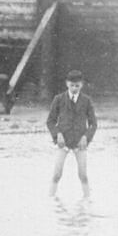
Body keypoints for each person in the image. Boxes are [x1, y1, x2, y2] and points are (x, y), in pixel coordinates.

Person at [46, 70, 97, 198]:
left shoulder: (86, 100)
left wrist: (86, 137)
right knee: (57, 174)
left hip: (80, 142)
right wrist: (57, 135)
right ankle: (50, 199)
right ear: (67, 84)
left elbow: (93, 124)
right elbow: (50, 121)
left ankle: (87, 201)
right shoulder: (58, 99)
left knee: (83, 175)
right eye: (72, 85)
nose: (74, 88)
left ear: (82, 85)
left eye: (77, 85)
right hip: (62, 142)